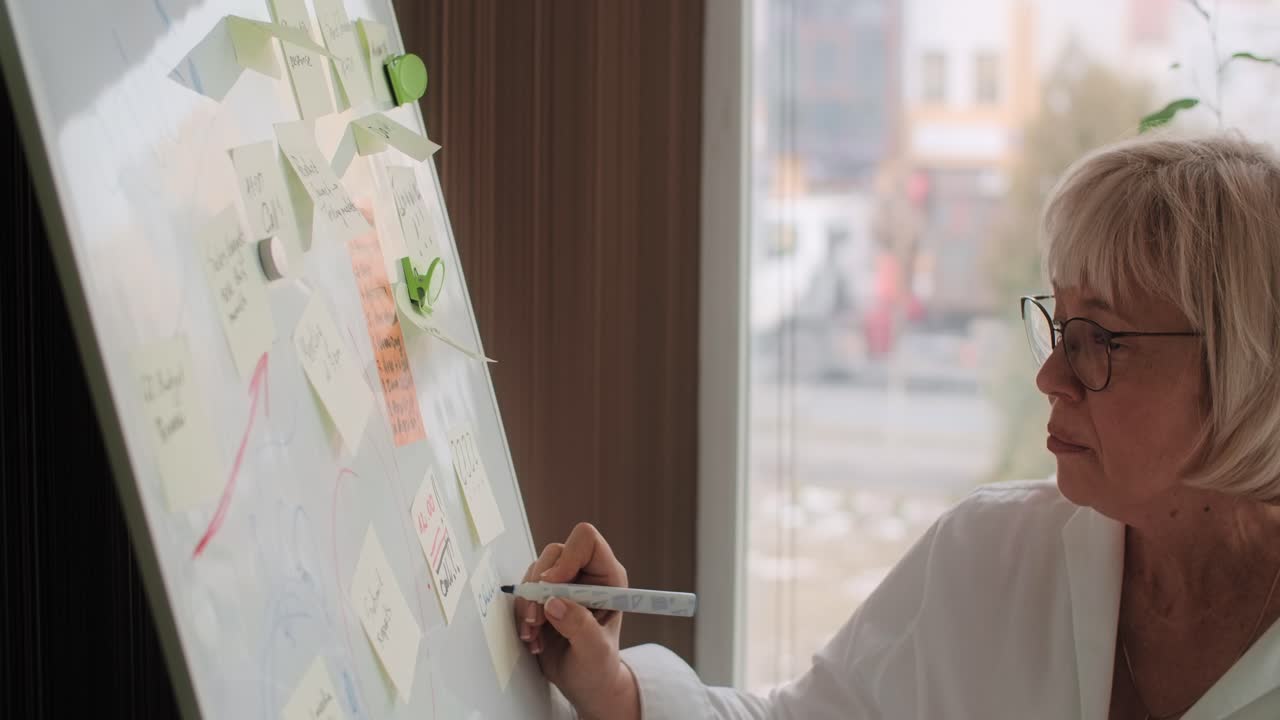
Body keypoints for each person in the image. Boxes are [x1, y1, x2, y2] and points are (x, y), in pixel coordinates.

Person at [513, 133, 1280, 719]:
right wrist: (612, 686)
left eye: (1096, 342)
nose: (1049, 377)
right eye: (1058, 327)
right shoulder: (991, 555)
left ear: (1243, 368)